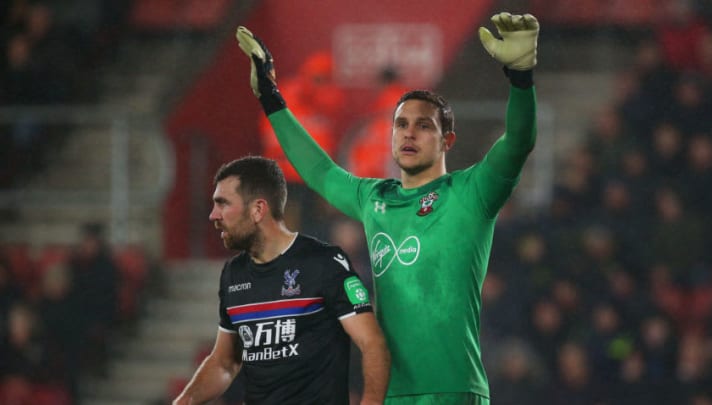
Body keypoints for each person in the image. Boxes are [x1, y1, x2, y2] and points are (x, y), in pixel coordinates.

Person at [236, 11, 539, 404]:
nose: (409, 132)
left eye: (424, 125)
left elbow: (518, 141)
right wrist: (270, 97)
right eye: (401, 124)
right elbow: (319, 170)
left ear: (448, 140)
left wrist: (521, 78)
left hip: (453, 389)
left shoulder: (472, 192)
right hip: (390, 392)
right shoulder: (375, 198)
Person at [172, 156, 390, 405]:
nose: (213, 215)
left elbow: (372, 343)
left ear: (257, 210)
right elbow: (225, 362)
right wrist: (184, 401)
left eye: (223, 204)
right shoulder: (234, 274)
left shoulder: (324, 262)